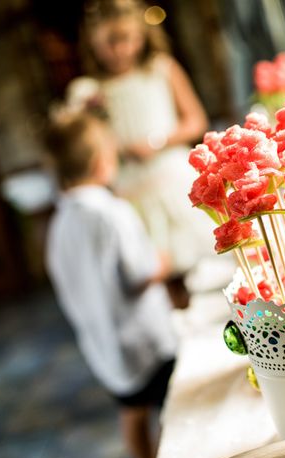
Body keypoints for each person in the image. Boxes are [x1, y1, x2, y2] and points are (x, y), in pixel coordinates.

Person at [44, 111, 177, 458]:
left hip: (103, 342)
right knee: (172, 409)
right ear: (102, 162)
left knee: (132, 410)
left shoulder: (59, 223)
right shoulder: (111, 211)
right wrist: (161, 265)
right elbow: (136, 273)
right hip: (144, 338)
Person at [67, 0, 213, 308]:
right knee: (154, 272)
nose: (120, 50)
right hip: (128, 188)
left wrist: (156, 142)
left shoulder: (162, 69)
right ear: (94, 43)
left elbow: (195, 120)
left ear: (142, 36)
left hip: (170, 178)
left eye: (127, 40)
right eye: (110, 43)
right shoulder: (88, 91)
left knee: (200, 268)